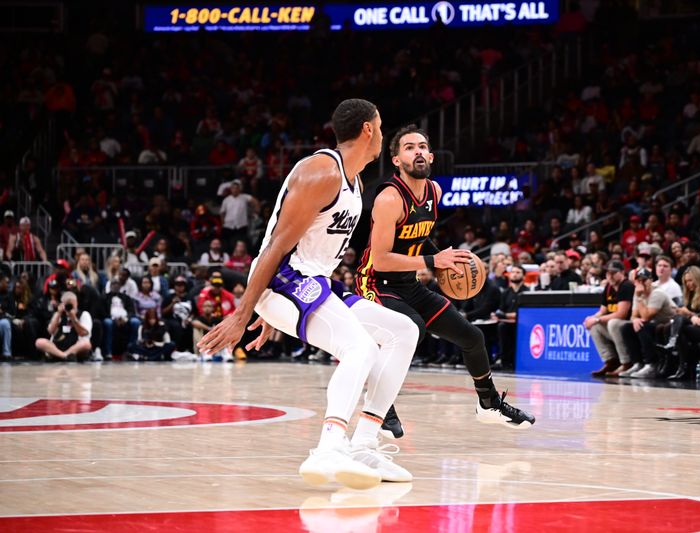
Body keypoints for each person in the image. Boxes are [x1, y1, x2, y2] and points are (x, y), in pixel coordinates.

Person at [197, 99, 420, 489]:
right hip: (282, 276)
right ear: (368, 129)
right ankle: (329, 446)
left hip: (311, 284)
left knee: (403, 331)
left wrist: (273, 311)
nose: (383, 135)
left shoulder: (356, 183)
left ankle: (364, 442)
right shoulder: (320, 171)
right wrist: (247, 311)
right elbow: (276, 245)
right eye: (381, 127)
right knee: (362, 349)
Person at [354, 124, 535, 439]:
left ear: (432, 156)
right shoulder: (389, 198)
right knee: (411, 329)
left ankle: (489, 403)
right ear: (396, 160)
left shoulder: (434, 192)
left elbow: (418, 239)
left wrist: (443, 262)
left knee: (472, 337)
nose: (418, 152)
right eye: (409, 147)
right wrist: (431, 262)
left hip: (408, 283)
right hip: (375, 283)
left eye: (423, 146)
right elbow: (380, 259)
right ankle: (380, 407)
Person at [584, 260, 634, 376]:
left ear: (622, 272)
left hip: (630, 325)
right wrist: (591, 318)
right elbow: (602, 311)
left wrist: (597, 319)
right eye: (608, 273)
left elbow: (621, 314)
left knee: (613, 323)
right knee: (594, 326)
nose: (610, 276)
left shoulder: (626, 286)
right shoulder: (608, 287)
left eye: (613, 273)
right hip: (617, 326)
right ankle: (611, 361)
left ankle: (626, 362)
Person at [35, 291, 93, 361]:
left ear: (76, 303)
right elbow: (50, 331)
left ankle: (63, 355)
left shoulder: (84, 314)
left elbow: (83, 333)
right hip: (58, 347)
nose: (69, 308)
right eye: (67, 305)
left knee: (86, 344)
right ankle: (64, 356)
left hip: (75, 348)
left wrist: (74, 318)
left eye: (71, 305)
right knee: (39, 342)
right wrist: (58, 314)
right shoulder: (58, 315)